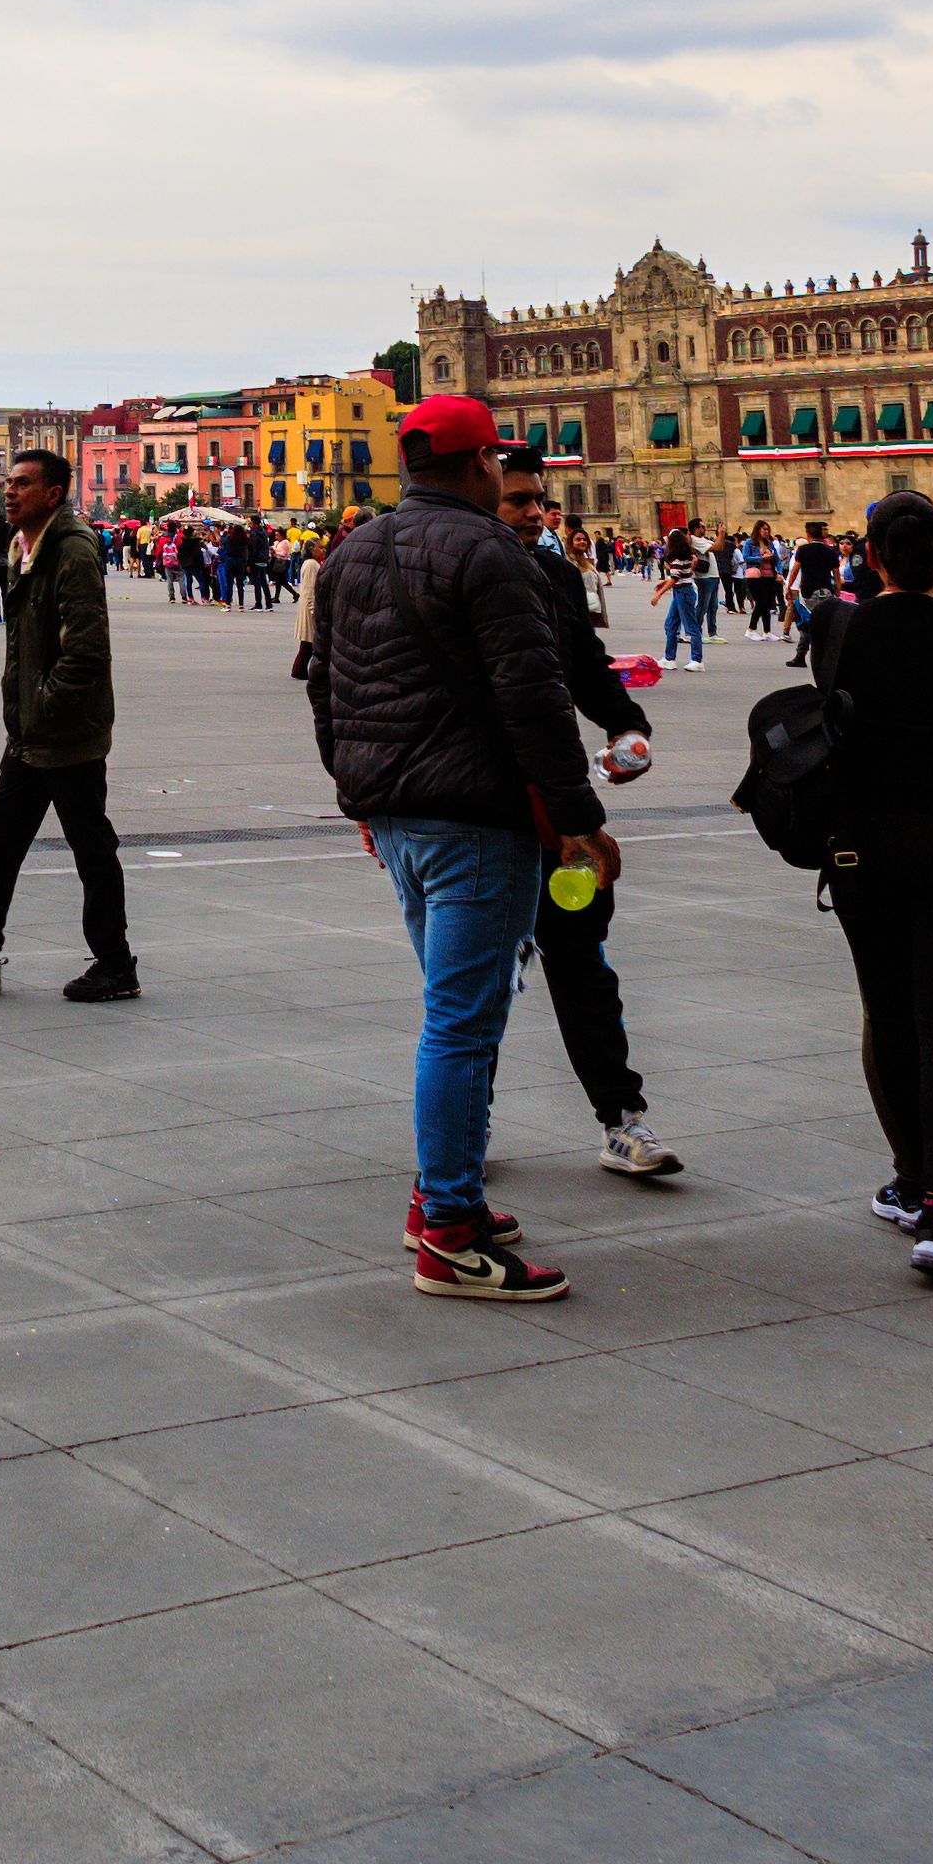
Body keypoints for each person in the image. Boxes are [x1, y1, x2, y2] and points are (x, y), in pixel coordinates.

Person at [301, 391, 609, 1298]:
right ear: (479, 464)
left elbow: (324, 683)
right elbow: (532, 695)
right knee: (462, 1025)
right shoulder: (488, 552)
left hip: (392, 815)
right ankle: (446, 1230)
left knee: (454, 1010)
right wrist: (578, 819)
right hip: (471, 816)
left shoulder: (353, 549)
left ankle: (450, 1198)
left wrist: (355, 789)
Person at [793, 488, 933, 1284]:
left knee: (886, 1014)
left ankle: (905, 1174)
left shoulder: (836, 628)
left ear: (870, 556)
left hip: (865, 844)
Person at [496, 440, 675, 1175]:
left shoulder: (552, 572)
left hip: (551, 800)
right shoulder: (446, 570)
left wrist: (627, 726)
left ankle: (621, 1118)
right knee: (473, 979)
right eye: (518, 500)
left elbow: (584, 668)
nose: (535, 513)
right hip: (470, 806)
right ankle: (456, 1130)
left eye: (539, 499)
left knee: (581, 962)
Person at [0, 447, 137, 1002]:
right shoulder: (23, 547)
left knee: (91, 848)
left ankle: (115, 964)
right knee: (1, 843)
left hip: (66, 733)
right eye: (8, 483)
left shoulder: (72, 552)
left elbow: (86, 651)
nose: (8, 491)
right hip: (30, 733)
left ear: (54, 494)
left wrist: (43, 706)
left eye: (21, 483)